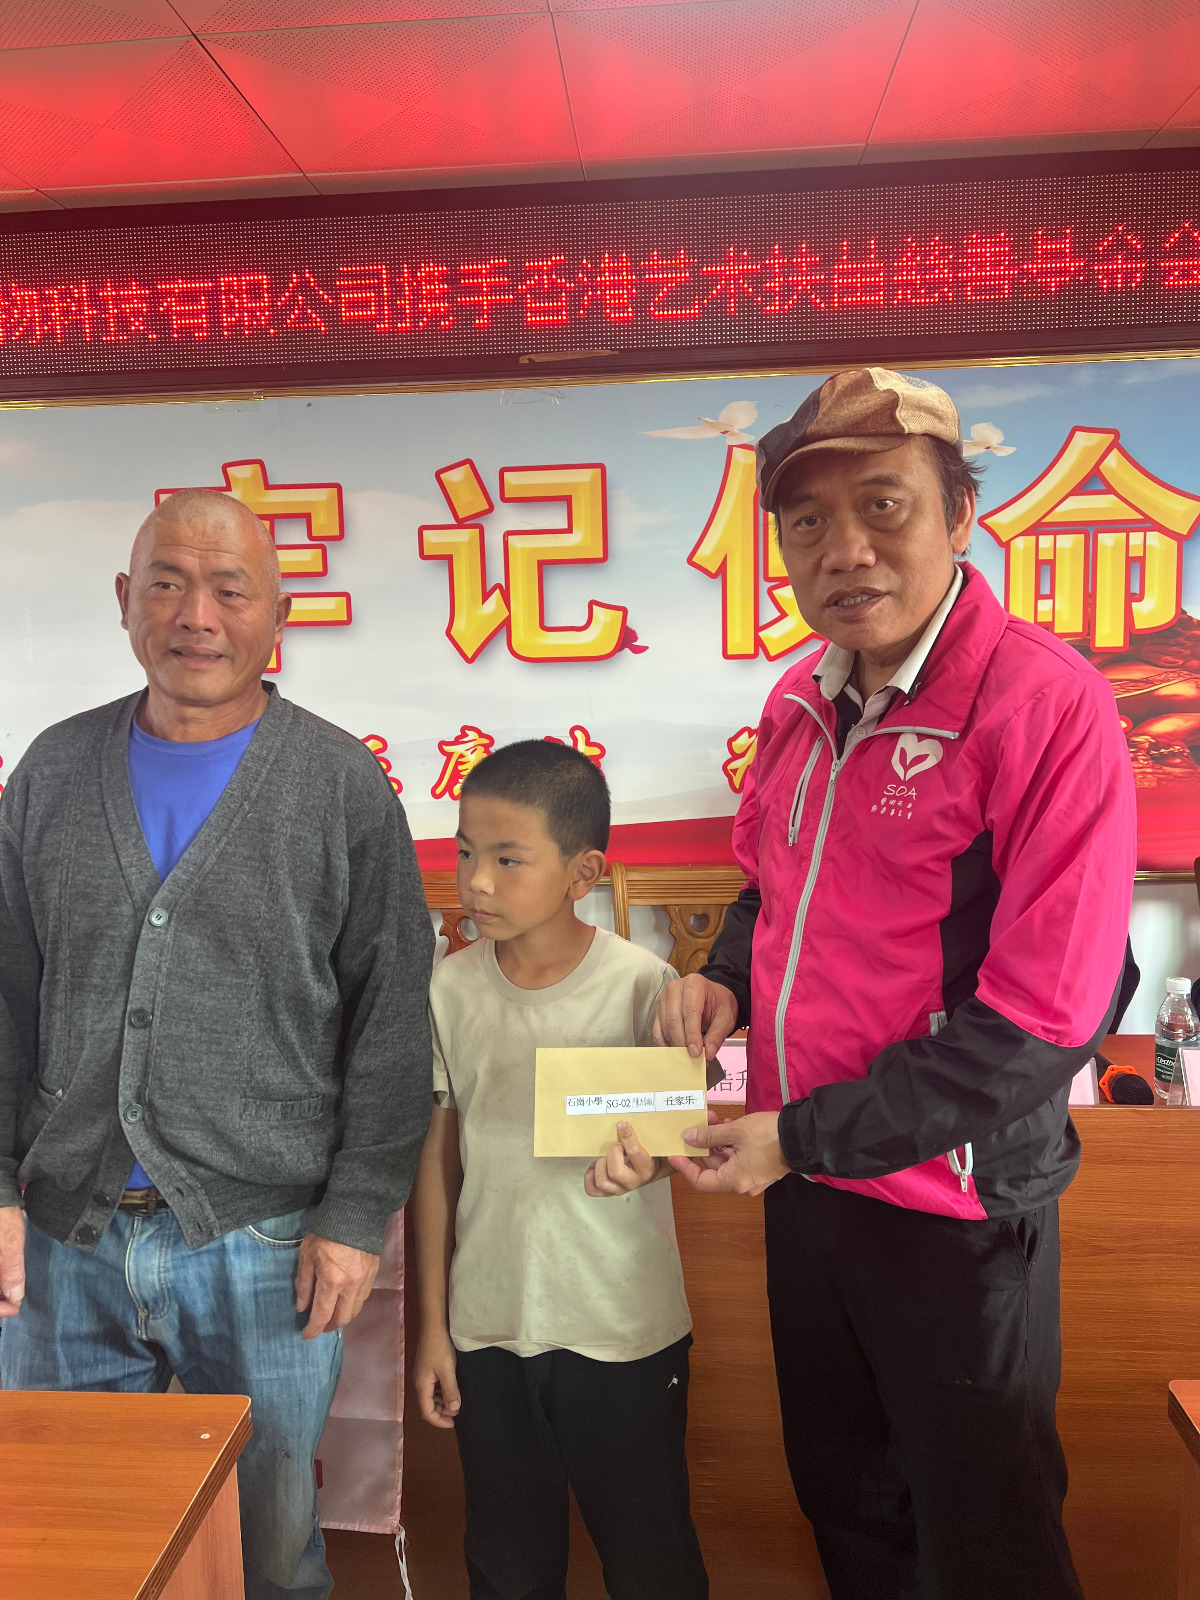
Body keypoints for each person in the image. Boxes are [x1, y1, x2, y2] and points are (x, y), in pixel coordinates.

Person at [655, 367, 1137, 1600]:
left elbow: (1043, 1020)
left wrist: (798, 1135)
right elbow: (773, 885)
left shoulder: (1045, 704)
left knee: (986, 1534)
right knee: (848, 1502)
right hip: (809, 1188)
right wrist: (725, 982)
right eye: (807, 522)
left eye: (884, 505)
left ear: (962, 513)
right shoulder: (798, 697)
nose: (845, 550)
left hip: (955, 1209)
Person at [0, 489, 434, 1600]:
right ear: (124, 599)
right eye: (168, 584)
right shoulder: (50, 771)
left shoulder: (338, 784)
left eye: (230, 589)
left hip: (266, 1241)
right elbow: (5, 995)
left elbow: (391, 1017)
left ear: (278, 613)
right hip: (66, 1240)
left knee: (270, 1549)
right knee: (73, 1546)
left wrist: (354, 1215)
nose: (196, 616)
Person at [413, 739, 708, 1600]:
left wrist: (649, 1167)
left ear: (584, 873)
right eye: (467, 853)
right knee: (507, 1565)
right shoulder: (448, 990)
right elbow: (436, 1163)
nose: (477, 883)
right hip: (489, 1327)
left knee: (651, 1558)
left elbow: (680, 1143)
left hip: (623, 1328)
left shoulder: (645, 986)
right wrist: (434, 1328)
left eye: (509, 860)